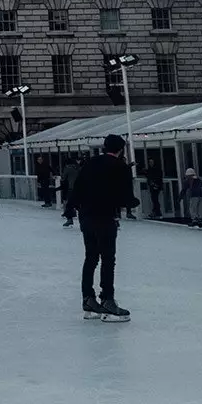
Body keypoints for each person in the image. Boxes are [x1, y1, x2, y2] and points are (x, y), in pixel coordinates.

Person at [64, 133, 137, 322]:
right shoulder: (120, 167)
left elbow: (77, 188)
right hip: (104, 216)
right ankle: (107, 299)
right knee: (107, 258)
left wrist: (70, 207)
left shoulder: (90, 163)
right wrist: (133, 202)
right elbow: (125, 196)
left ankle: (88, 298)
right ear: (120, 149)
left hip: (86, 215)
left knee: (91, 257)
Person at [61, 157, 81, 228]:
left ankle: (69, 220)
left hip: (72, 189)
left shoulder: (68, 169)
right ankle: (84, 220)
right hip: (81, 189)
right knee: (80, 205)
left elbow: (63, 178)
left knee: (69, 205)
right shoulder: (79, 168)